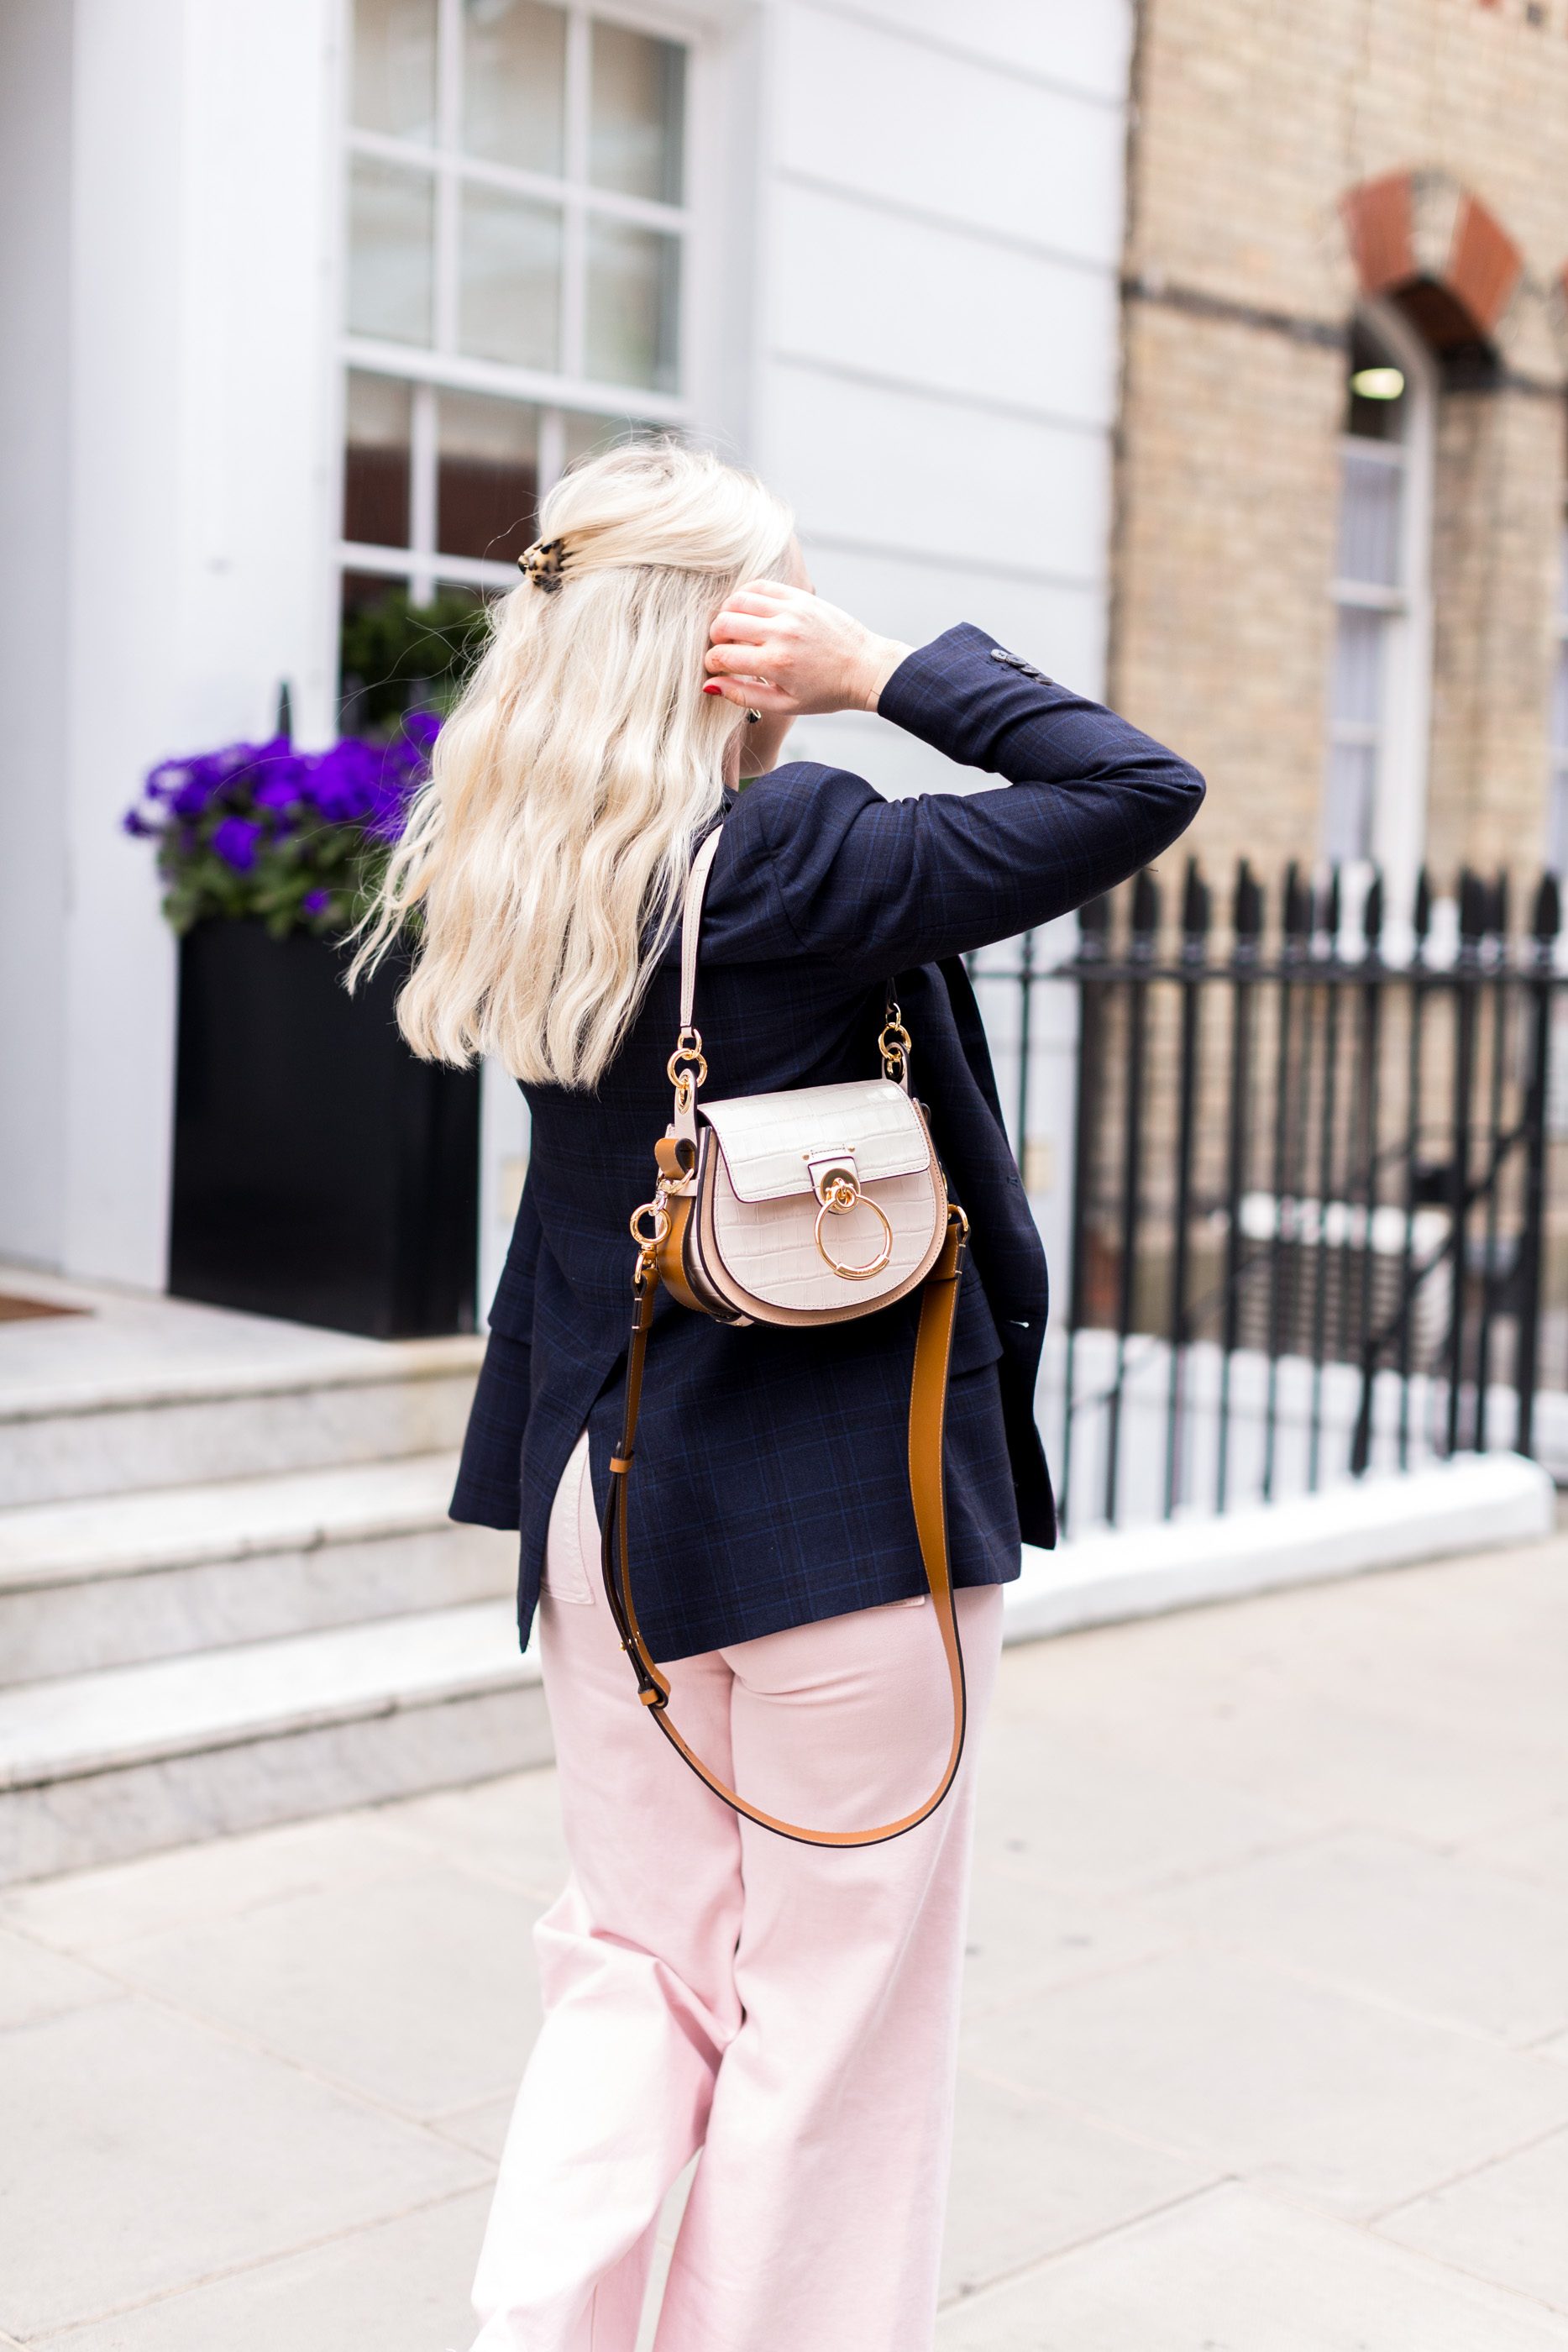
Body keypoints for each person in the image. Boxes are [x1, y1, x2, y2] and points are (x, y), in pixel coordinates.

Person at [352, 438, 1204, 2352]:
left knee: (631, 1963)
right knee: (833, 2003)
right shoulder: (800, 848)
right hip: (838, 1522)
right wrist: (882, 664)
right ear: (731, 641)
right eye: (780, 601)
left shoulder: (517, 852)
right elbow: (1134, 782)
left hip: (606, 1509)